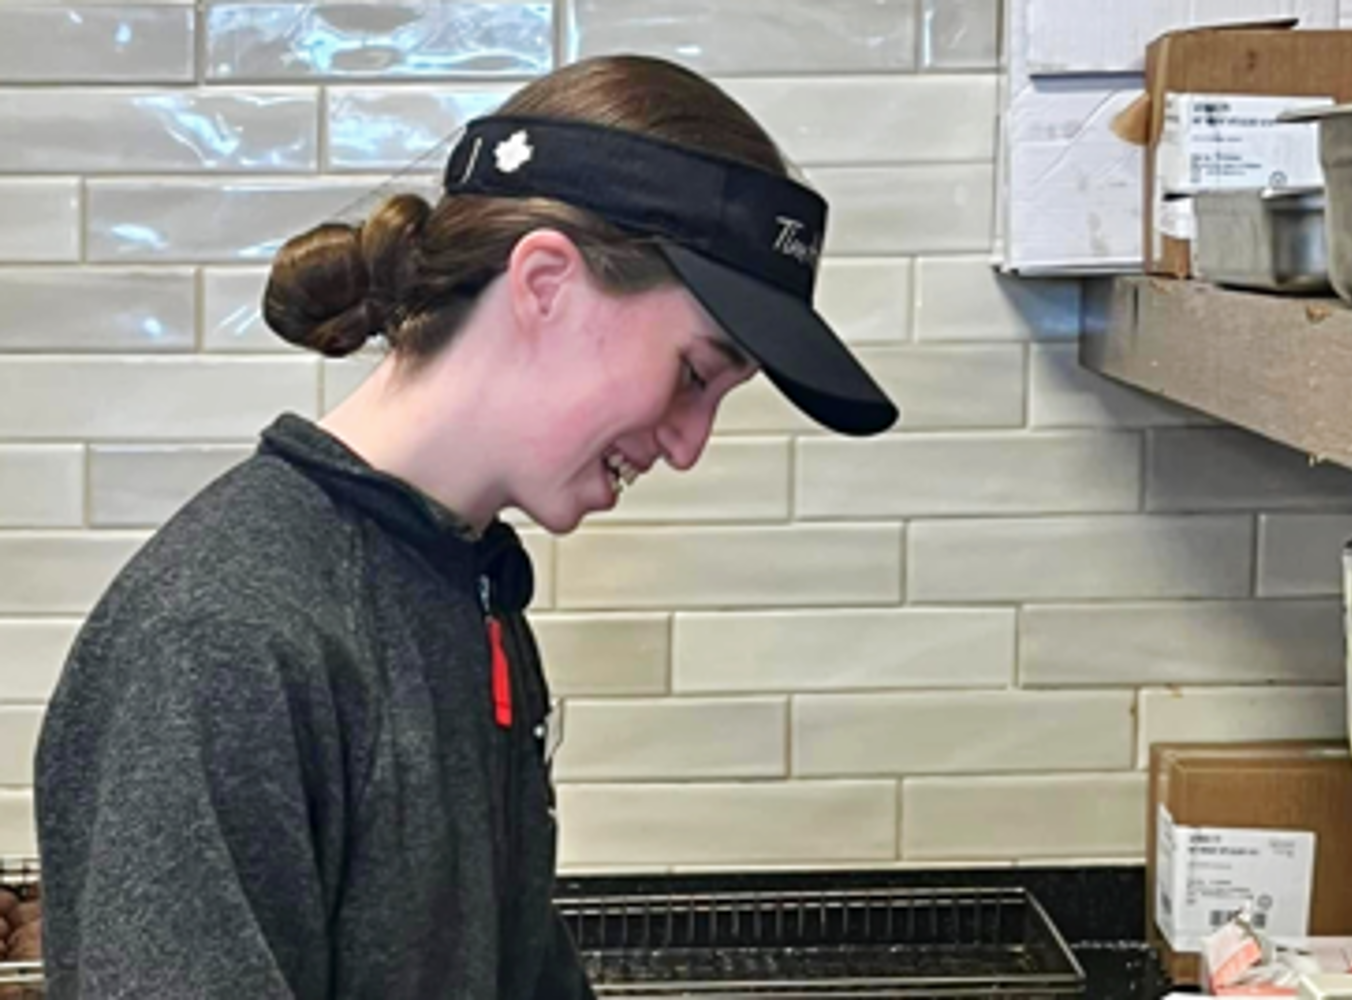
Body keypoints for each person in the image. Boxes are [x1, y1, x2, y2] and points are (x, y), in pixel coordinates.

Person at [33, 53, 898, 998]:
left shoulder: (463, 583)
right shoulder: (223, 641)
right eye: (695, 373)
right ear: (544, 283)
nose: (690, 445)